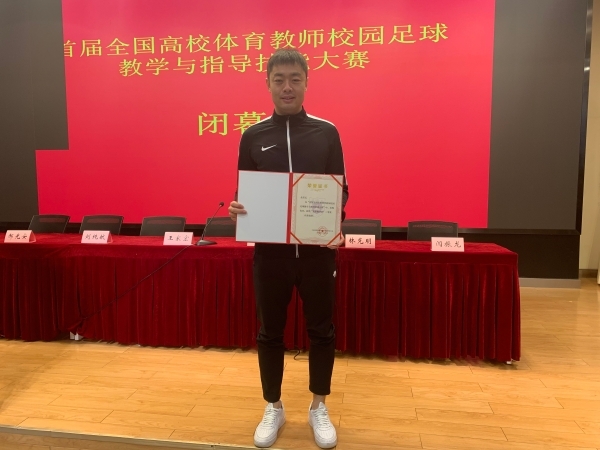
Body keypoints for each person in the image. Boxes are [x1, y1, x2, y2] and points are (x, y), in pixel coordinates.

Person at [228, 48, 349, 449]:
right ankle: (273, 406)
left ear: (306, 83)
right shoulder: (253, 136)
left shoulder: (326, 132)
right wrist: (238, 208)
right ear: (267, 84)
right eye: (279, 79)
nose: (287, 87)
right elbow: (244, 192)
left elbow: (340, 190)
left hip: (317, 253)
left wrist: (334, 220)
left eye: (295, 79)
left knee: (321, 331)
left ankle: (318, 406)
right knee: (270, 332)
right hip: (270, 255)